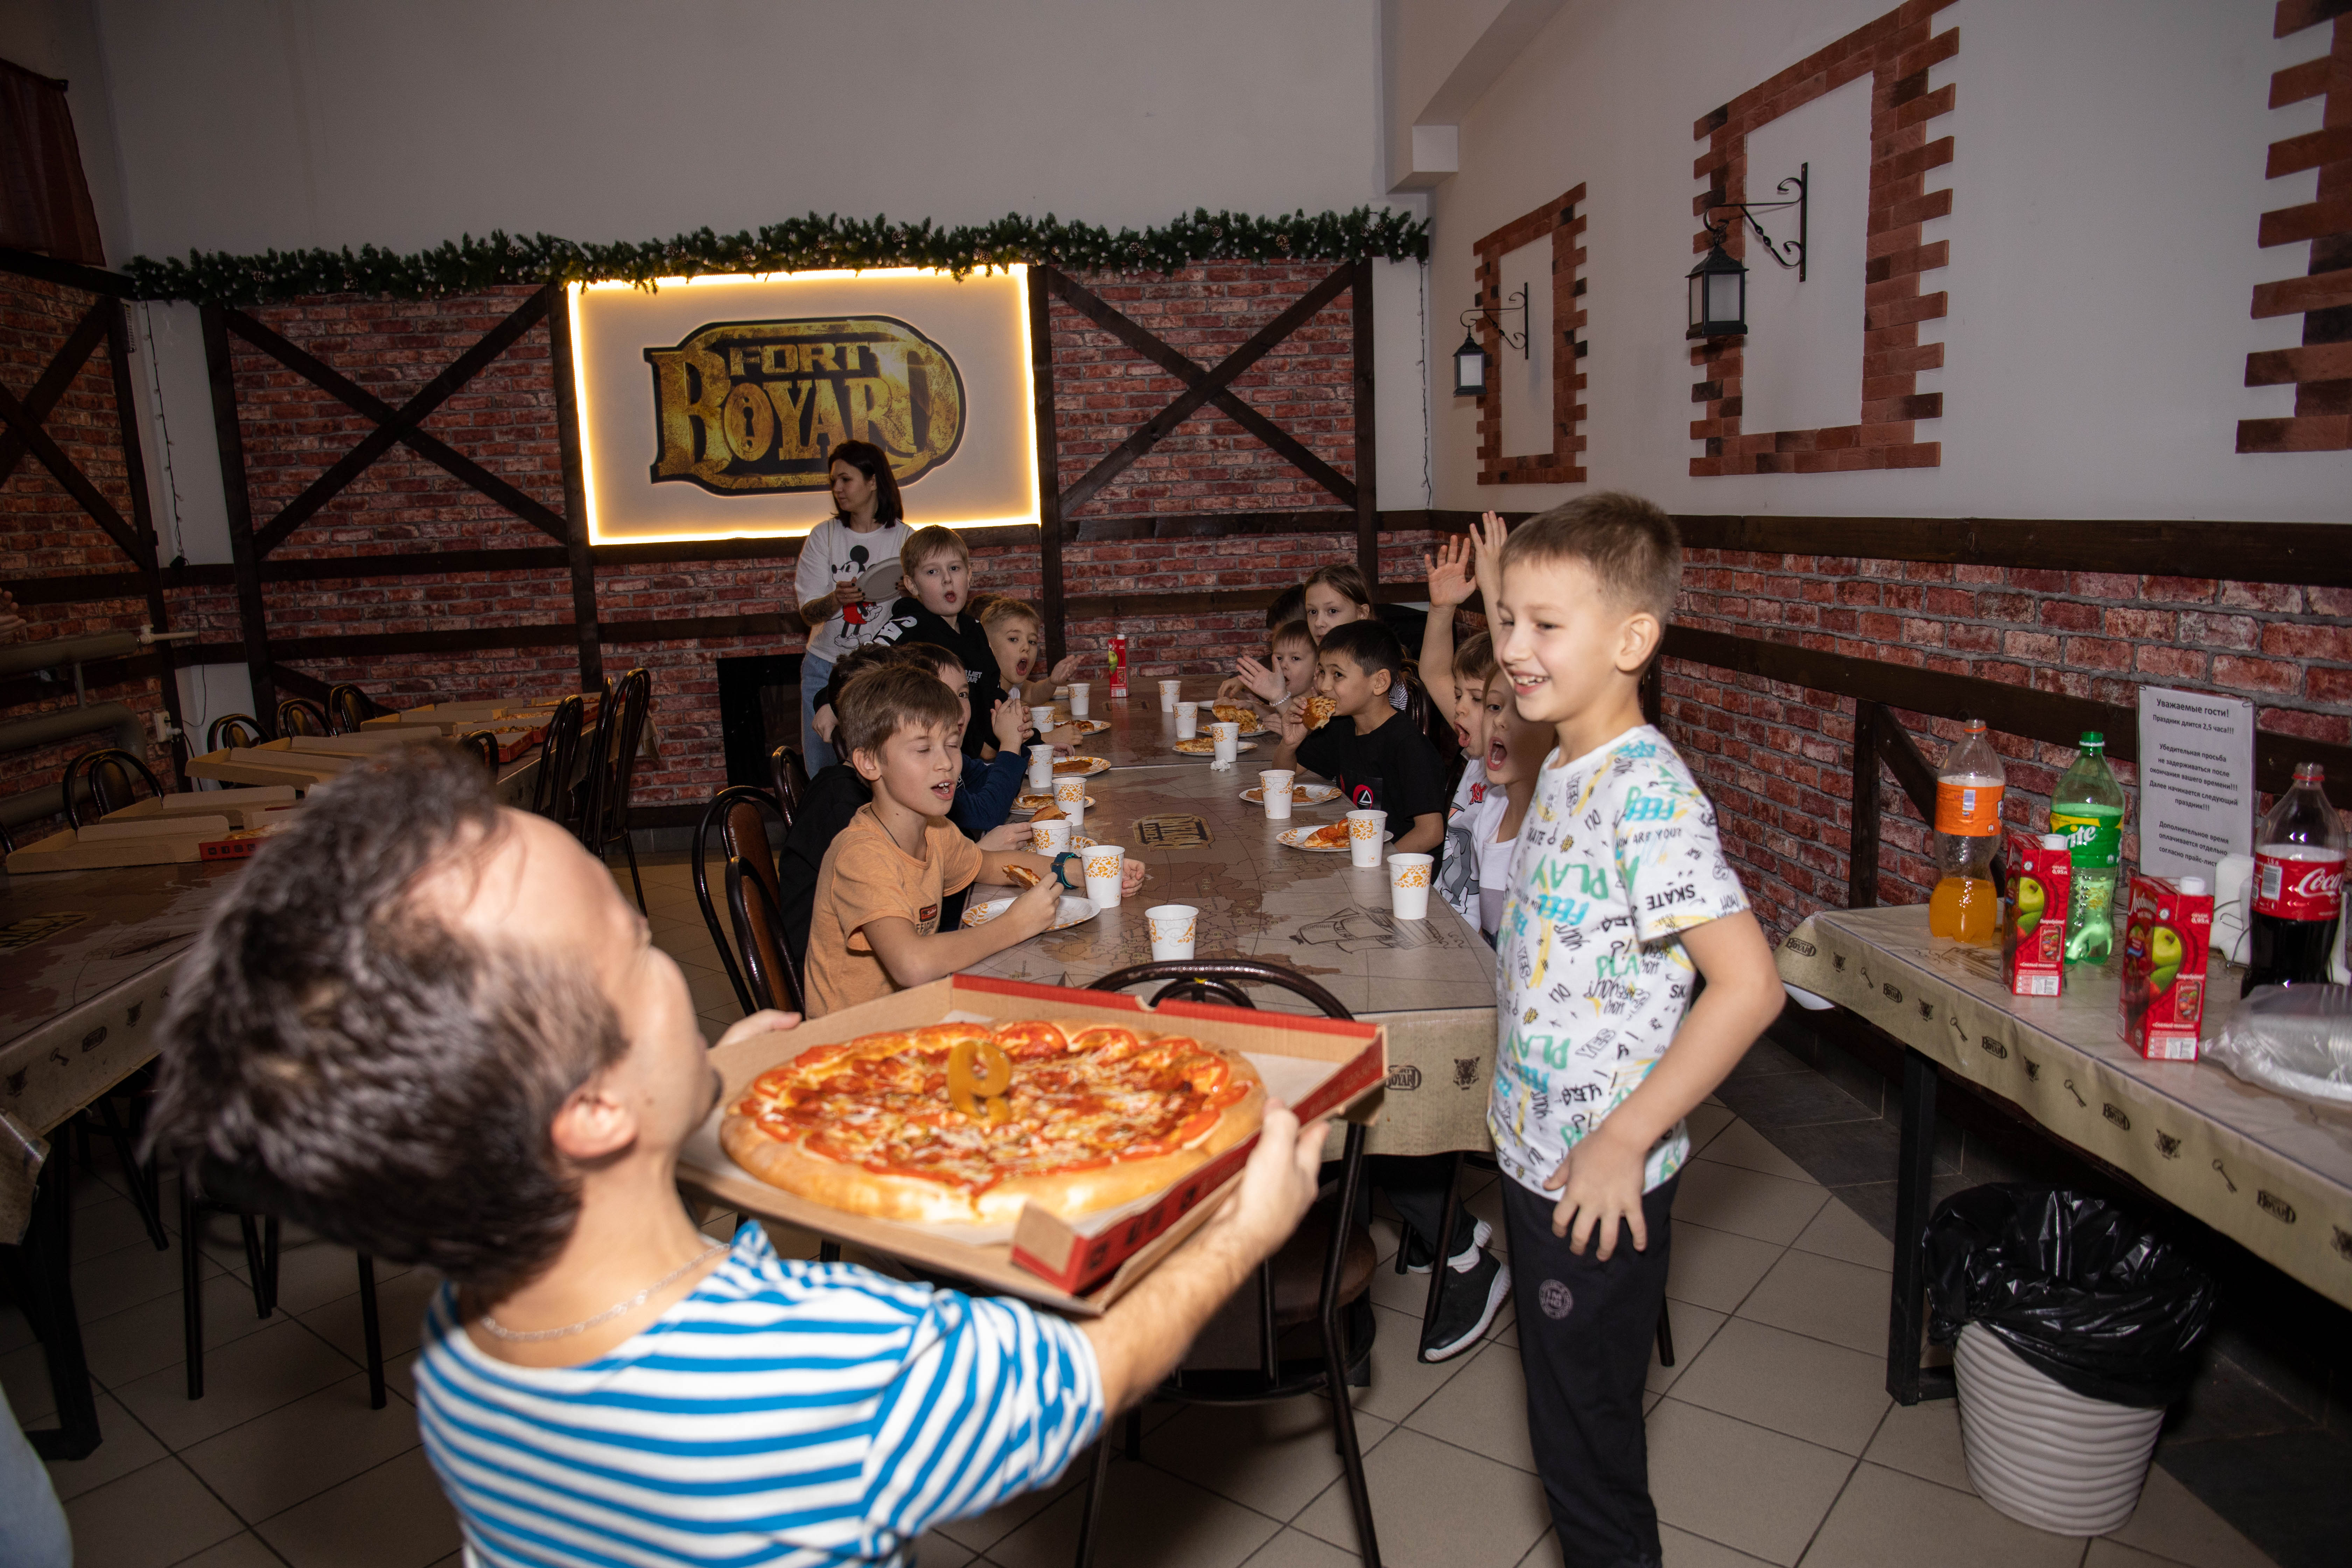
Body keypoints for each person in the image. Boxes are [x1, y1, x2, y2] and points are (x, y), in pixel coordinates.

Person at [138, 746, 1330, 1568]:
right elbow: (1088, 1377)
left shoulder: (463, 1337)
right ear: (593, 1110)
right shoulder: (829, 1365)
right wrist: (1241, 1234)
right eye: (637, 949)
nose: (665, 964)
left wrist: (692, 1083)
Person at [1476, 496, 1784, 1568]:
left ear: (1632, 640)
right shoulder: (1566, 756)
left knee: (1587, 1458)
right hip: (1539, 1159)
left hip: (1597, 1182)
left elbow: (1749, 986)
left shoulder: (1646, 792)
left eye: (1544, 626)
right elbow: (1535, 649)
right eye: (1506, 622)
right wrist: (1509, 597)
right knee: (1565, 1426)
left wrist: (1623, 1136)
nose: (1514, 648)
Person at [805, 665, 1143, 1017]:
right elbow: (912, 964)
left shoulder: (935, 830)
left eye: (952, 745)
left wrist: (1085, 871)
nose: (946, 763)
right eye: (923, 750)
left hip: (916, 1013)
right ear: (869, 763)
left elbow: (994, 865)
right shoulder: (863, 854)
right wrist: (1015, 925)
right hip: (859, 1037)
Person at [1272, 620, 1447, 856]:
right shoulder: (1340, 726)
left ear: (1379, 682)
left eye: (1338, 675)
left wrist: (1376, 865)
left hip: (1395, 863)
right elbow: (1282, 779)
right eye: (1322, 672)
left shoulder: (1408, 745)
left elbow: (1431, 832)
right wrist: (1290, 744)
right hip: (1356, 849)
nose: (1324, 686)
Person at [793, 441, 910, 774]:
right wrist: (836, 600)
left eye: (846, 479)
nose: (838, 489)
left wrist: (912, 592)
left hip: (881, 670)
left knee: (883, 768)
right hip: (824, 668)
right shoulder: (824, 536)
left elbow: (921, 612)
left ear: (873, 481)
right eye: (834, 481)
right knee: (822, 774)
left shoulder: (905, 539)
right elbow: (808, 614)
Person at [863, 526, 1008, 759]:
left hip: (971, 763)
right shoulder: (907, 628)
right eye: (932, 572)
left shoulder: (975, 630)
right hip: (926, 762)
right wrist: (827, 704)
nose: (947, 579)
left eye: (954, 568)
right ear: (912, 585)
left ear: (969, 575)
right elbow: (860, 667)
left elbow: (992, 695)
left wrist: (1029, 736)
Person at [977, 596, 1079, 704]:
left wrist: (1052, 682)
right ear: (988, 647)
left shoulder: (1011, 685)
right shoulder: (980, 692)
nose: (1026, 647)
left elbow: (1033, 694)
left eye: (1032, 642)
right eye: (1013, 639)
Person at [1220, 618, 1317, 714]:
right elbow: (1276, 712)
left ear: (1318, 666)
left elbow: (1298, 720)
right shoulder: (1290, 697)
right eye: (1279, 658)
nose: (1283, 665)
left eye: (1295, 658)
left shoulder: (1316, 706)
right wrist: (1253, 708)